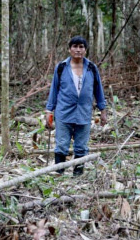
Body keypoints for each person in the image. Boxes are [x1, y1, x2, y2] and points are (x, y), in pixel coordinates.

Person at [45, 36, 107, 176]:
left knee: (81, 146)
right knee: (61, 144)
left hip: (84, 113)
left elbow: (98, 90)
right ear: (69, 49)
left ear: (85, 50)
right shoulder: (61, 67)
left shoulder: (91, 68)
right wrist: (49, 111)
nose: (78, 50)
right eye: (75, 46)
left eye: (81, 47)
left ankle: (78, 174)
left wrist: (103, 110)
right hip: (63, 112)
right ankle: (58, 172)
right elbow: (54, 89)